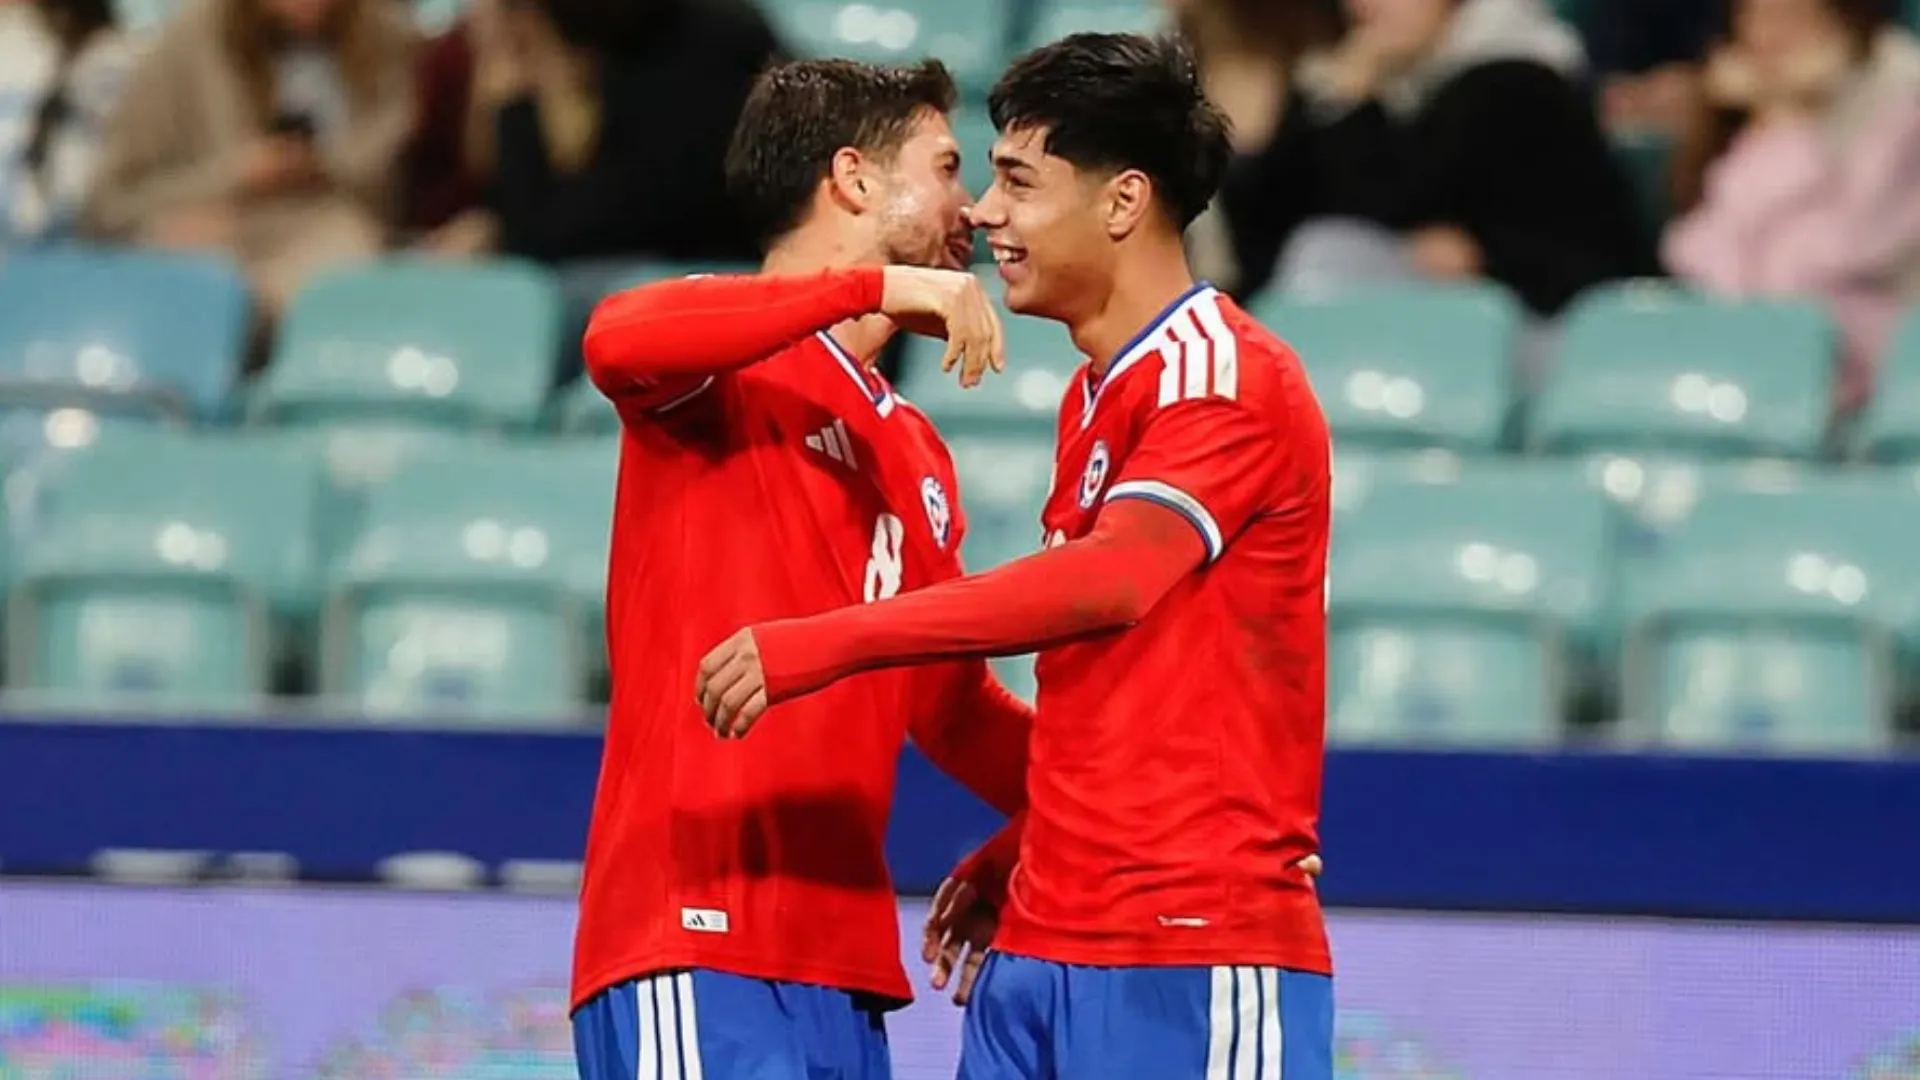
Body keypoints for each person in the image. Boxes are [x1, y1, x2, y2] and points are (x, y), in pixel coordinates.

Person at [696, 32, 1336, 1080]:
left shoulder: (1226, 374)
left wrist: (828, 641)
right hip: (1040, 949)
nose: (985, 212)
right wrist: (1033, 841)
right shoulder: (1094, 395)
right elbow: (1121, 690)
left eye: (1018, 180)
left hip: (1190, 946)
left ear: (1124, 203)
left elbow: (1110, 581)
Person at [569, 58, 1032, 1080]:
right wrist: (871, 286)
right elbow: (612, 339)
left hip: (841, 967)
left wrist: (1117, 802)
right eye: (949, 167)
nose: (976, 208)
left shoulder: (914, 443)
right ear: (855, 180)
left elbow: (950, 712)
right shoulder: (722, 362)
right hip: (694, 935)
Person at [83, 0, 415, 319]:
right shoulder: (188, 45)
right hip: (206, 264)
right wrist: (232, 176)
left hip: (325, 266)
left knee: (343, 254)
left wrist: (320, 168)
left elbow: (393, 195)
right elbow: (107, 207)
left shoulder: (386, 42)